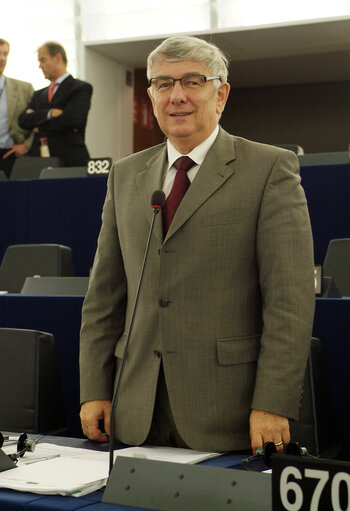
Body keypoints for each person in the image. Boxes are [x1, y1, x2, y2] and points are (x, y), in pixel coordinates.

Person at [79, 35, 315, 454]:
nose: (177, 96)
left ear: (220, 93)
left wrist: (272, 403)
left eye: (192, 81)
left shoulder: (269, 168)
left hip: (230, 413)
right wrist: (95, 389)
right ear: (151, 95)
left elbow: (288, 301)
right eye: (163, 84)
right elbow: (104, 295)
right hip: (135, 410)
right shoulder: (125, 174)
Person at [18, 41, 92, 166]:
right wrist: (50, 113)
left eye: (43, 60)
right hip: (39, 162)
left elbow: (72, 119)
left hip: (69, 160)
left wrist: (38, 125)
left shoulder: (80, 88)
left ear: (57, 58)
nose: (40, 66)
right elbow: (23, 120)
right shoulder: (38, 94)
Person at [0, 38, 34, 177]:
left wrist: (27, 145)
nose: (2, 58)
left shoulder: (24, 89)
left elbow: (38, 123)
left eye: (5, 54)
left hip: (12, 156)